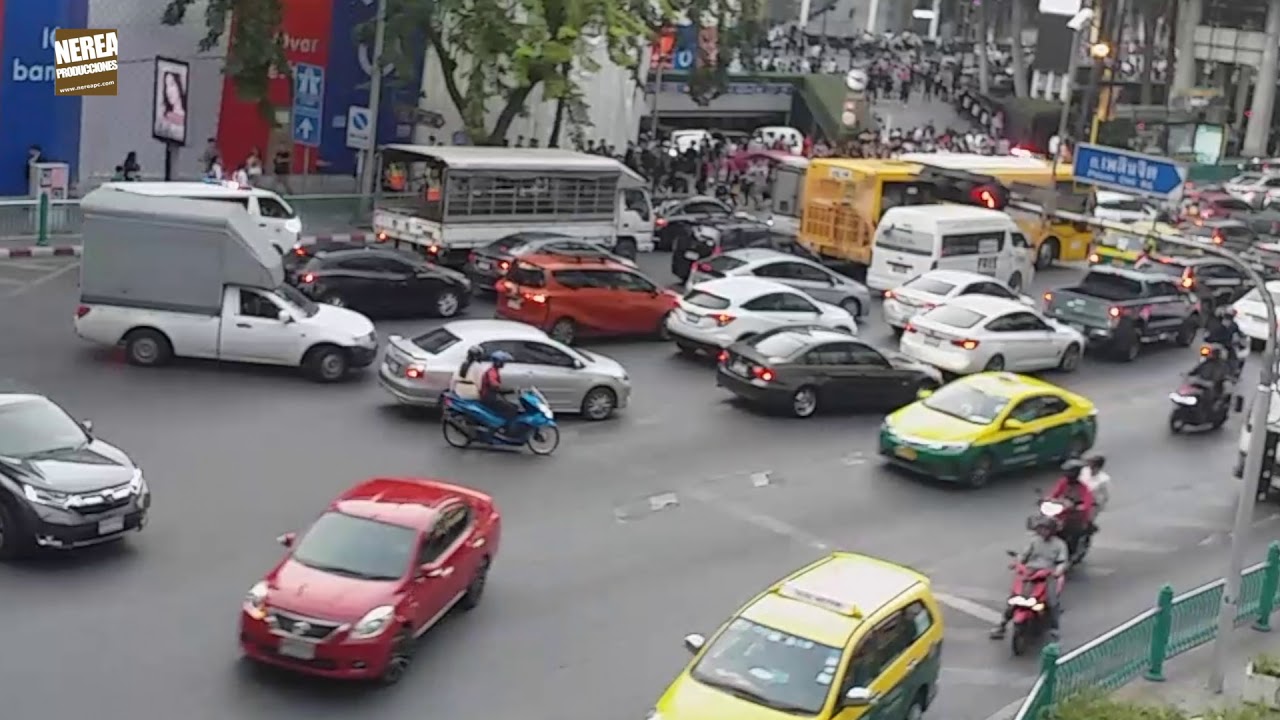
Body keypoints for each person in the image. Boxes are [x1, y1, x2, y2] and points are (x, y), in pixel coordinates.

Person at [990, 517, 1068, 640]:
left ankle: (1054, 628)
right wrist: (1017, 563)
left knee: (1052, 601)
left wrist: (1058, 571)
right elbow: (1024, 556)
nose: (1043, 531)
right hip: (1030, 572)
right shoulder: (1034, 541)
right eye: (1041, 529)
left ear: (1052, 530)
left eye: (1046, 529)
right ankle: (1002, 625)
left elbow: (1062, 561)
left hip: (1047, 574)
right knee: (1014, 597)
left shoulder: (1059, 545)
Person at [1047, 459, 1096, 556]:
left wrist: (1079, 507)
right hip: (1061, 512)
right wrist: (1048, 499)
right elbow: (1054, 493)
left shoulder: (1083, 488)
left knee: (1073, 532)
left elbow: (1087, 503)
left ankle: (1071, 553)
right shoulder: (1063, 482)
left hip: (1075, 516)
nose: (1067, 475)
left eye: (1069, 472)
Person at [479, 351, 520, 431]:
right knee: (511, 409)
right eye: (503, 362)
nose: (504, 364)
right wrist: (511, 390)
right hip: (489, 397)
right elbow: (494, 386)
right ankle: (505, 429)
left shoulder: (494, 371)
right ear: (498, 362)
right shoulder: (492, 372)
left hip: (492, 395)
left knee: (514, 406)